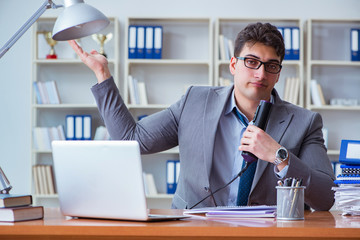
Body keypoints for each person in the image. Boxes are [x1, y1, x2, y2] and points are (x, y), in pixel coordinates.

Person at [68, 22, 336, 210]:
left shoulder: (305, 122)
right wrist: (102, 75)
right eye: (251, 62)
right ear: (233, 64)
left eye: (271, 66)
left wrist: (280, 156)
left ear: (278, 73)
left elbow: (325, 198)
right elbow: (130, 138)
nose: (260, 73)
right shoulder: (194, 102)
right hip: (194, 230)